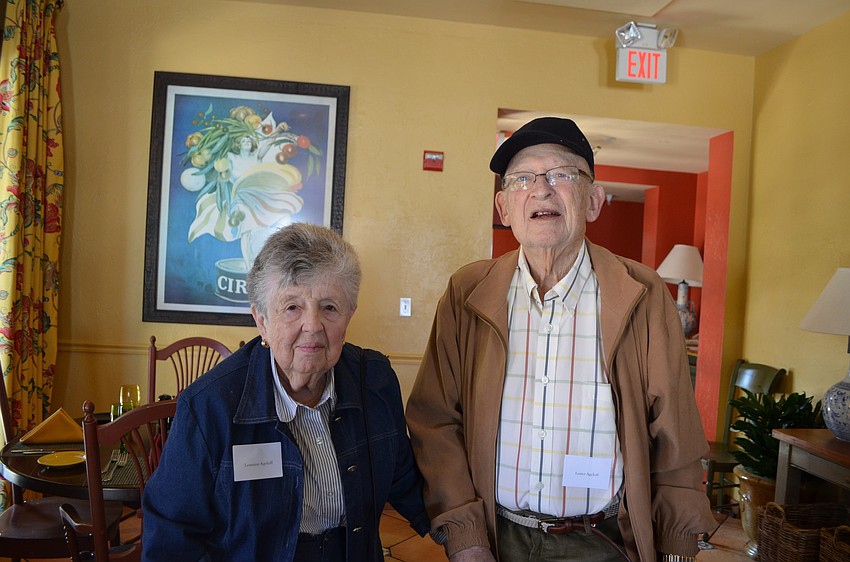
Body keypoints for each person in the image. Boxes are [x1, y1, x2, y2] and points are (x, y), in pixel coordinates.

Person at [406, 117, 716, 562]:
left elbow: (675, 436)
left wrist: (677, 546)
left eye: (561, 175)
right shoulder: (467, 293)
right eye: (522, 179)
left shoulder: (642, 294)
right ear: (503, 208)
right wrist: (465, 535)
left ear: (593, 201)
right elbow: (435, 421)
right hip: (495, 537)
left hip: (604, 541)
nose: (541, 190)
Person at [143, 222, 430, 561]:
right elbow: (171, 537)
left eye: (330, 307)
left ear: (349, 315)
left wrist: (464, 533)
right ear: (261, 320)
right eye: (292, 307)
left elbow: (407, 480)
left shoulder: (374, 382)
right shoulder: (209, 407)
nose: (313, 325)